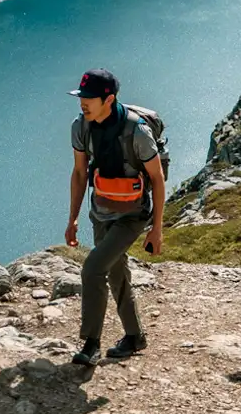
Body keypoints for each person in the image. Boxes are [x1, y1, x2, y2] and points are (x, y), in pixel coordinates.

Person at [66, 68, 166, 368]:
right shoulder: (80, 127)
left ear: (108, 98)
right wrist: (72, 220)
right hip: (101, 211)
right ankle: (134, 336)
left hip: (132, 215)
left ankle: (90, 344)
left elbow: (157, 179)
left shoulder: (137, 132)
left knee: (93, 269)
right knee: (114, 270)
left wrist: (156, 228)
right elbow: (81, 172)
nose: (82, 103)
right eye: (80, 96)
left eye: (89, 98)